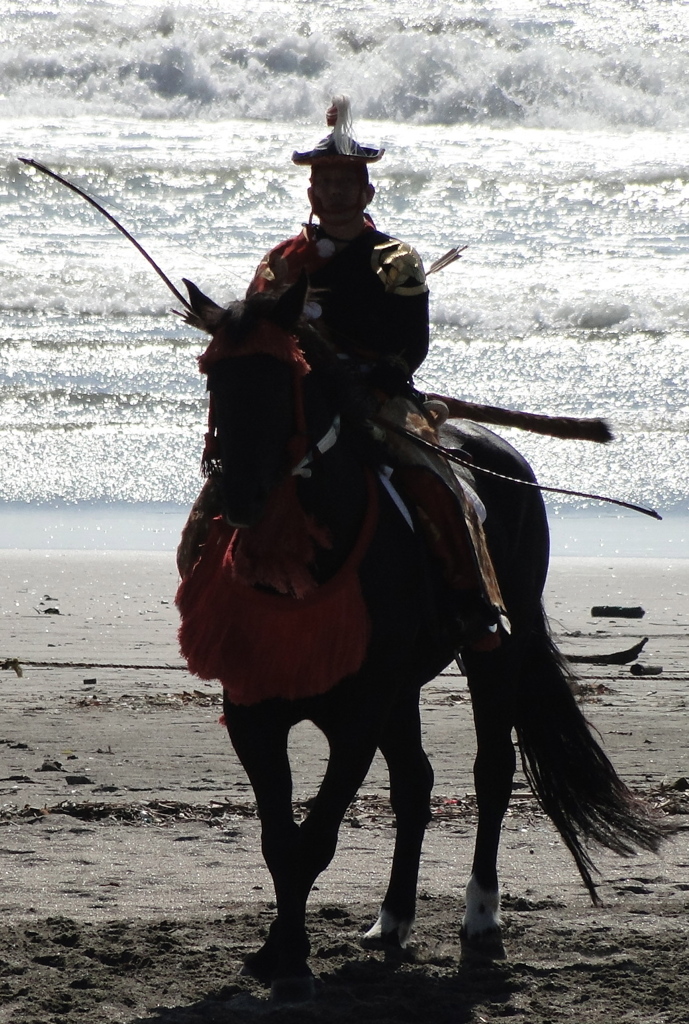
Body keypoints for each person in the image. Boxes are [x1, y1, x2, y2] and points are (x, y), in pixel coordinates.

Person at [180, 97, 506, 650]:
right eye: (326, 181)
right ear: (312, 191)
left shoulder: (395, 259)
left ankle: (469, 599)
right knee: (231, 476)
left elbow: (413, 344)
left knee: (430, 476)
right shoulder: (279, 263)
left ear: (367, 191)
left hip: (379, 394)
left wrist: (372, 383)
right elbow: (259, 341)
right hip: (300, 394)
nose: (335, 191)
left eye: (347, 182)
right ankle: (204, 582)